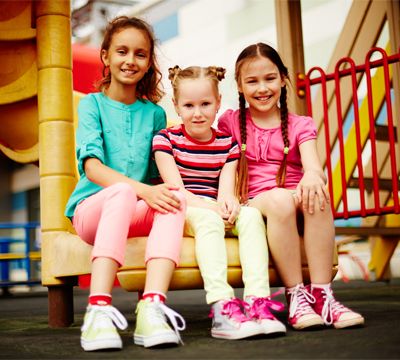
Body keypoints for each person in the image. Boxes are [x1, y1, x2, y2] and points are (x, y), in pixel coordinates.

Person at [218, 42, 365, 330]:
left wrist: (312, 175)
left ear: (283, 78)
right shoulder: (232, 122)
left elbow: (313, 166)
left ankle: (323, 295)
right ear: (239, 86)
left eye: (270, 78)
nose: (262, 88)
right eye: (252, 81)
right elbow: (221, 162)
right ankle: (296, 295)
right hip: (258, 199)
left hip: (296, 195)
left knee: (317, 194)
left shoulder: (300, 125)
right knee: (280, 200)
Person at [64, 16, 187, 351]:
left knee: (174, 198)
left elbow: (157, 176)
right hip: (92, 211)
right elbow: (93, 169)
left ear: (148, 63)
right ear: (105, 56)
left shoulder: (155, 115)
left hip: (132, 209)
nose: (130, 60)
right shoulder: (92, 105)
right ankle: (98, 310)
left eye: (140, 54)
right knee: (119, 190)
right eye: (122, 51)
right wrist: (144, 191)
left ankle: (152, 306)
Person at [152, 65, 286, 340]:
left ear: (218, 103)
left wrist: (232, 204)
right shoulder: (166, 140)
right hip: (185, 208)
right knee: (210, 219)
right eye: (189, 105)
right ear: (176, 105)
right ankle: (222, 305)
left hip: (214, 206)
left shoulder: (227, 144)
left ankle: (257, 302)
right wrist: (214, 209)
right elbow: (178, 192)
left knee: (250, 217)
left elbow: (227, 190)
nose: (198, 112)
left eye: (205, 104)